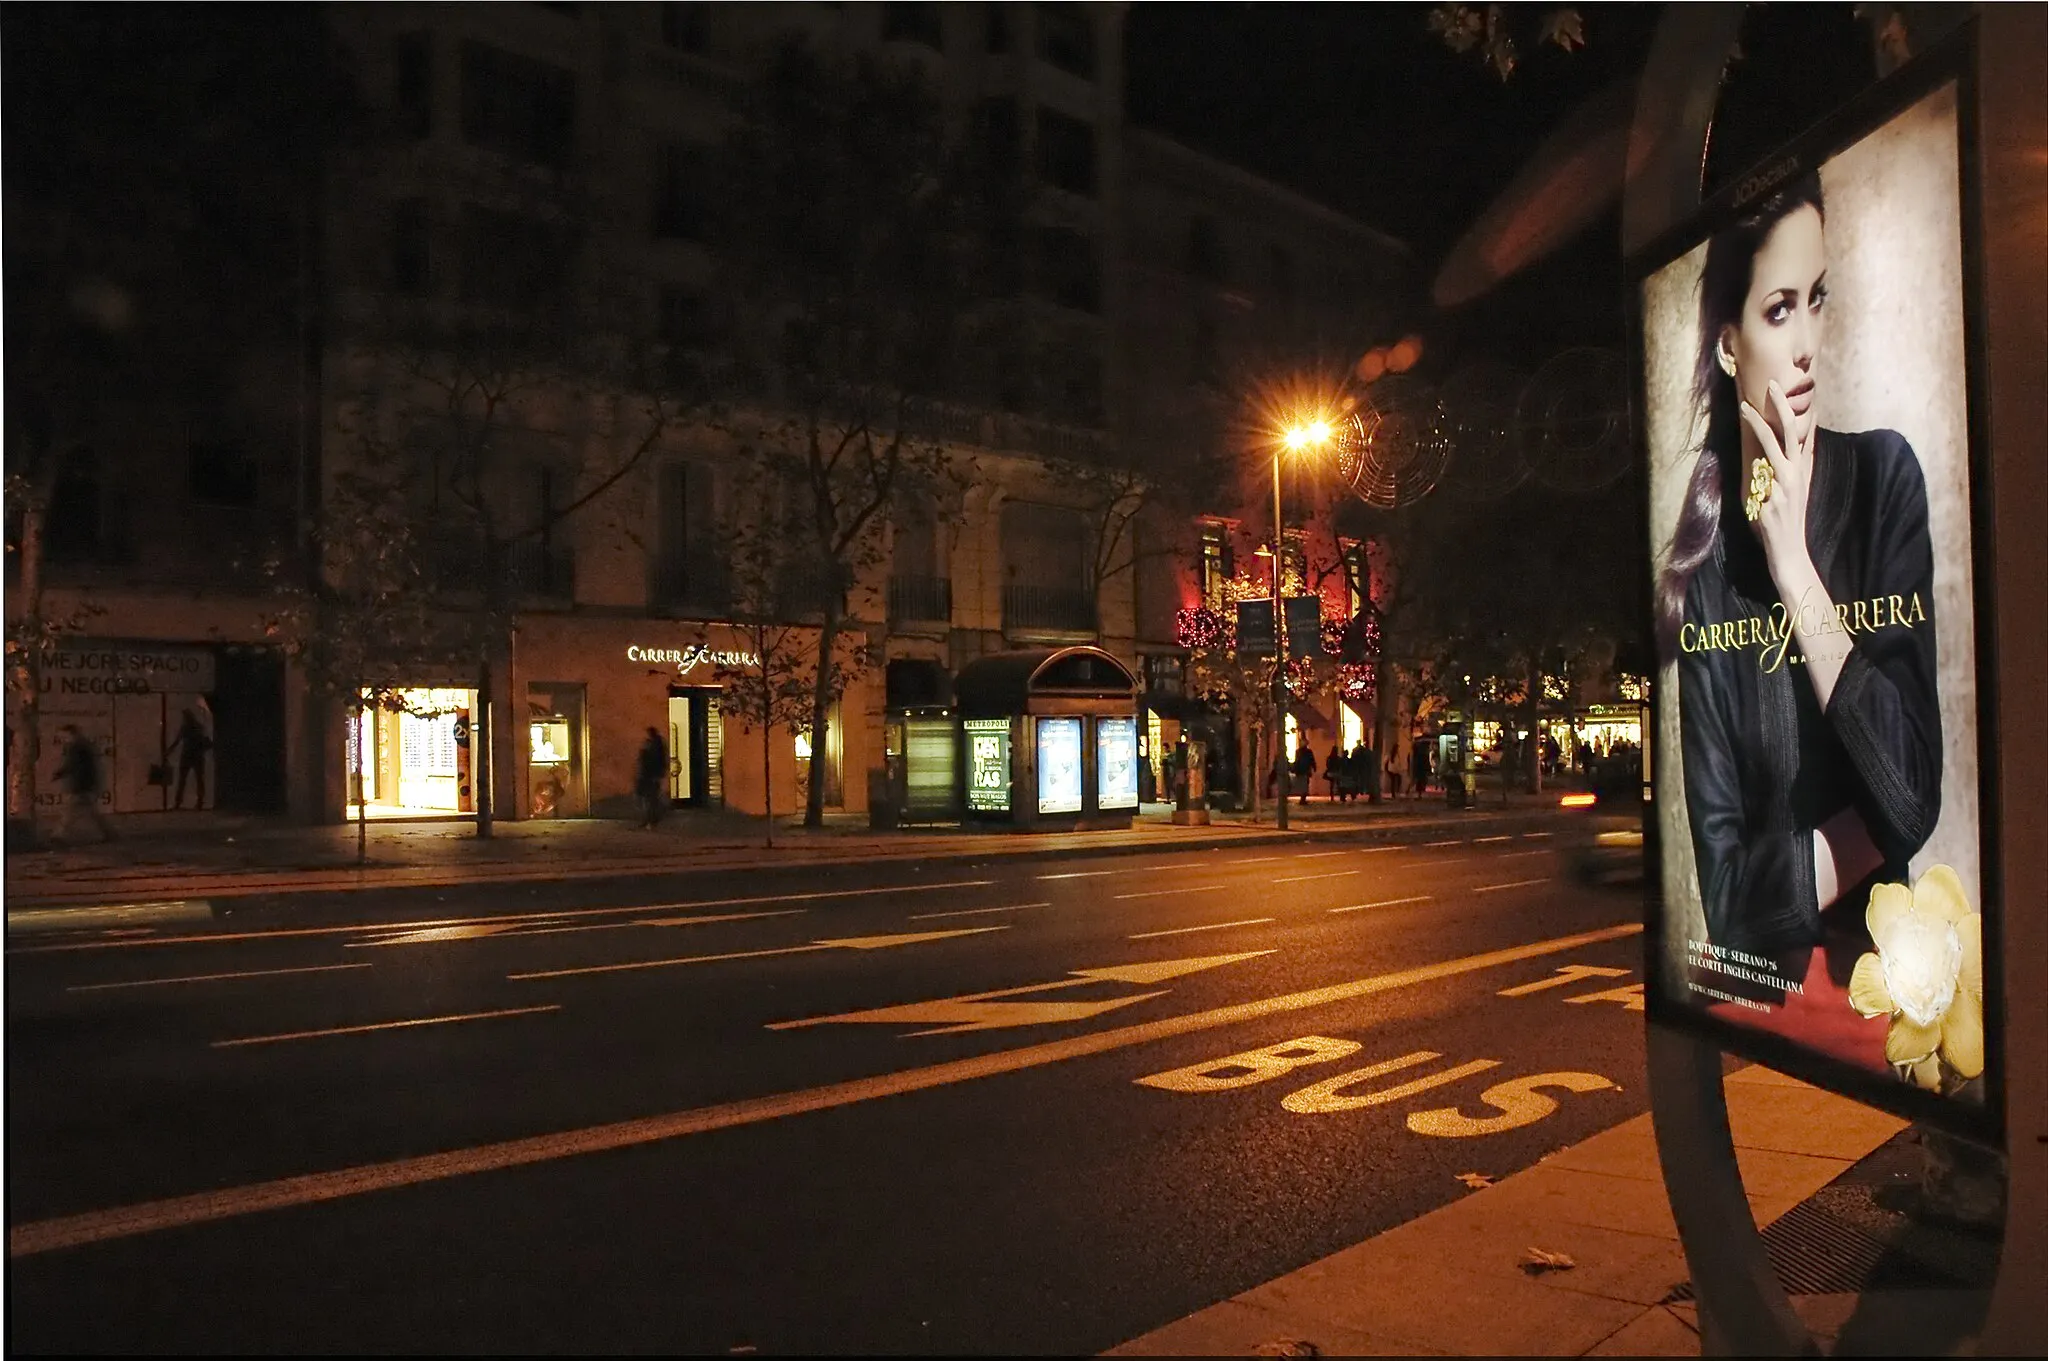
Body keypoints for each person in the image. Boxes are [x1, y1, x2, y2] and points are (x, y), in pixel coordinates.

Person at [1656, 169, 1939, 982]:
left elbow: (1915, 790)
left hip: (1891, 996)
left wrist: (1795, 570)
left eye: (1818, 297)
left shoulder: (1885, 480)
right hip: (1779, 1008)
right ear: (1727, 340)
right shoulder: (1701, 569)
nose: (1808, 340)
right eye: (1779, 309)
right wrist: (1879, 830)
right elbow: (1727, 903)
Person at [56, 724, 115, 843]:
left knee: (69, 811)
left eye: (64, 736)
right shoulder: (82, 746)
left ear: (70, 734)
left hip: (80, 786)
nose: (62, 740)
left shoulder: (76, 748)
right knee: (91, 813)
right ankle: (108, 834)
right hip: (84, 785)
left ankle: (58, 835)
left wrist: (60, 774)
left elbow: (73, 765)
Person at [166, 703, 213, 810]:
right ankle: (200, 802)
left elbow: (177, 741)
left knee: (182, 780)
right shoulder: (199, 727)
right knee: (199, 780)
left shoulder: (185, 728)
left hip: (187, 756)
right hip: (198, 756)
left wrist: (168, 751)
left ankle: (178, 802)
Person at [634, 727, 668, 829]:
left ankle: (650, 820)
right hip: (648, 775)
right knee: (649, 798)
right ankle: (649, 820)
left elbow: (654, 761)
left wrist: (657, 775)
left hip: (649, 776)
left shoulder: (655, 745)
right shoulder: (655, 744)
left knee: (650, 799)